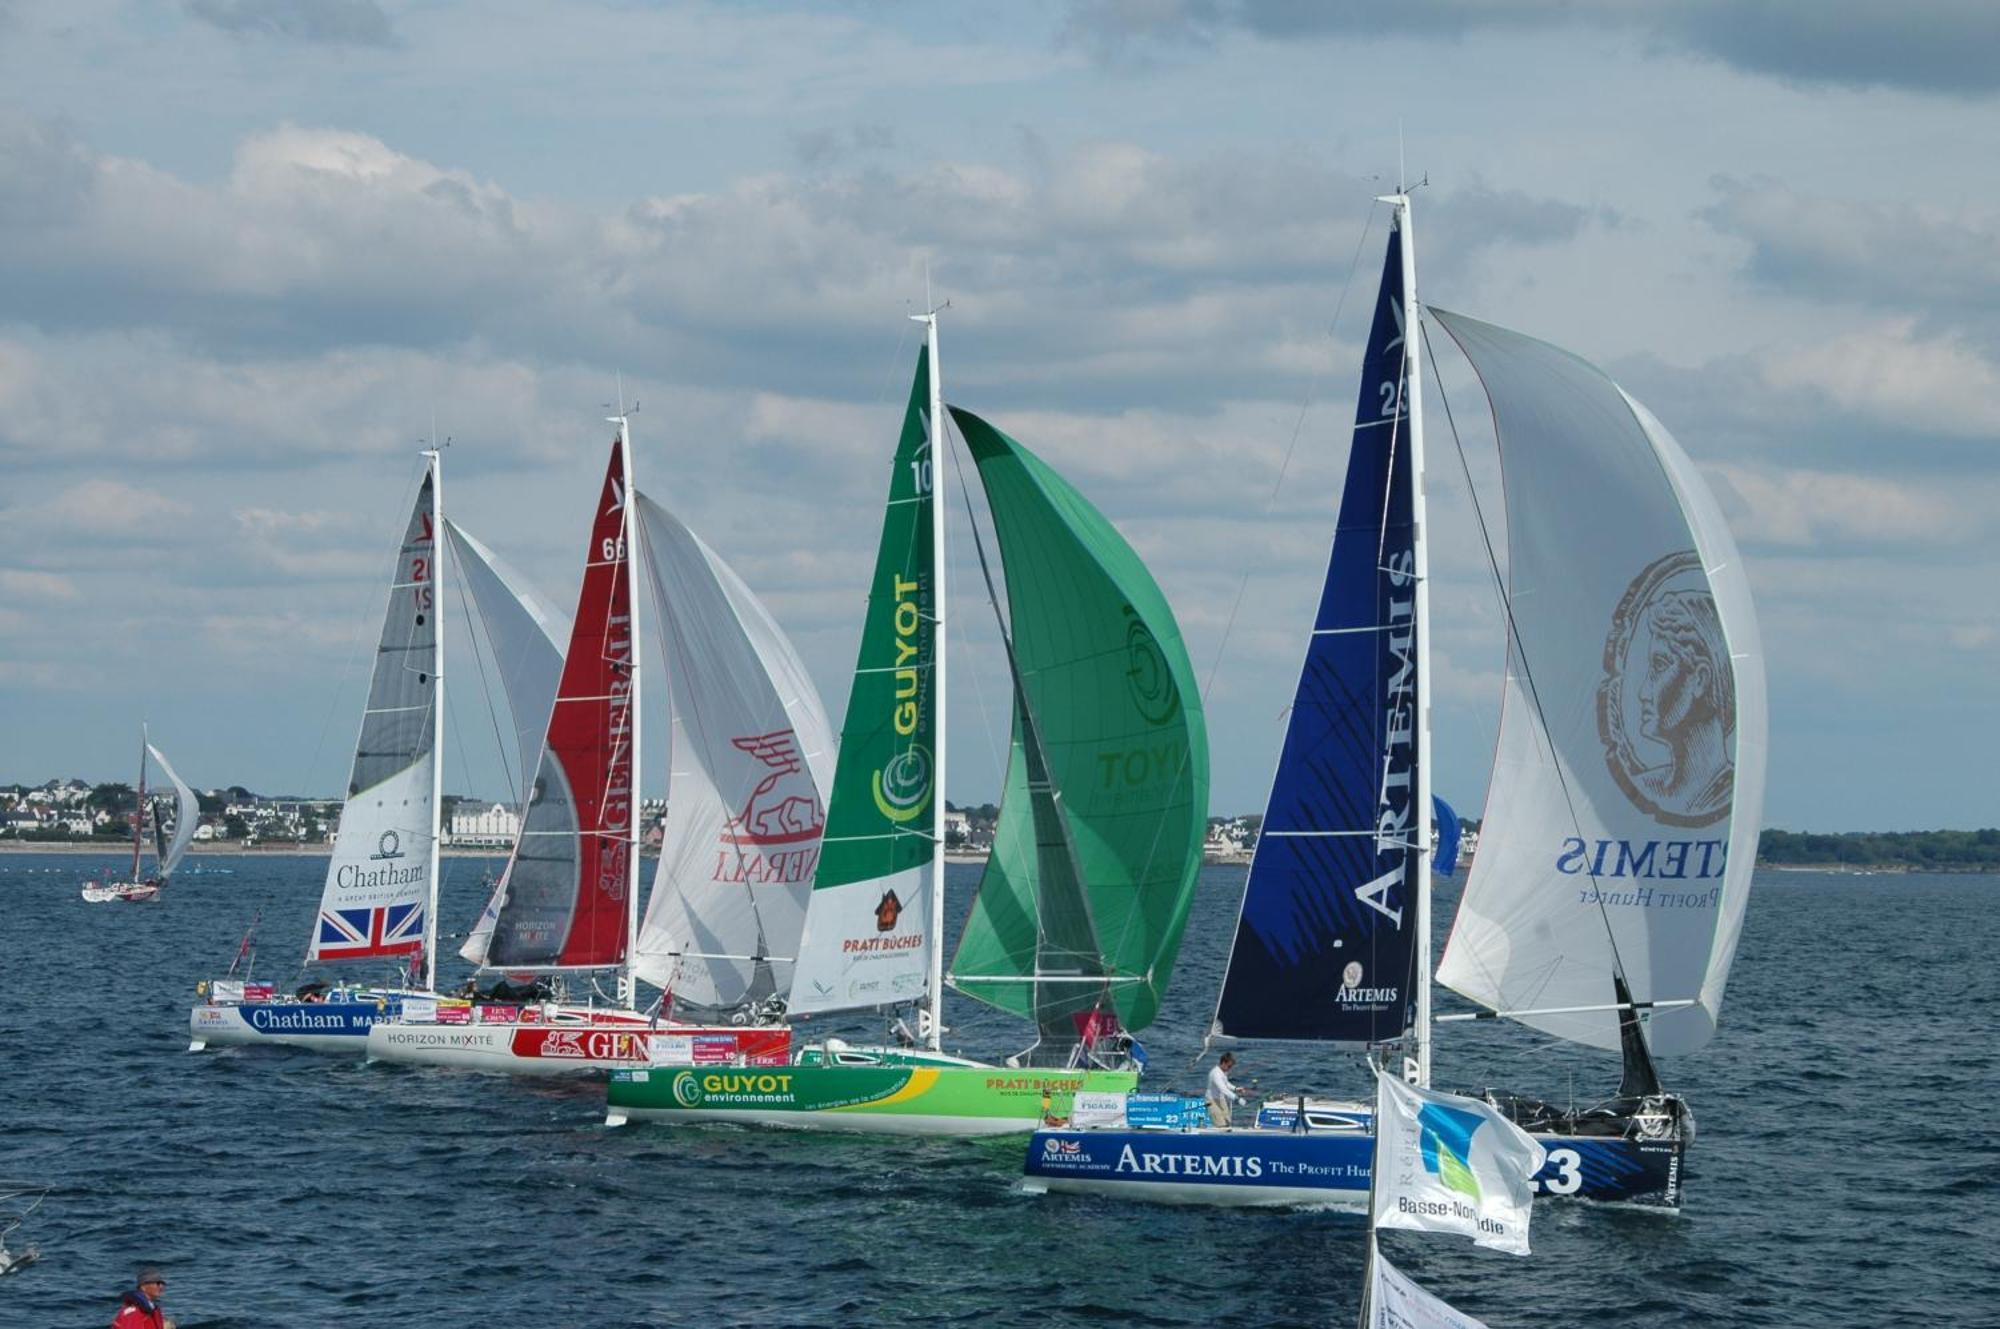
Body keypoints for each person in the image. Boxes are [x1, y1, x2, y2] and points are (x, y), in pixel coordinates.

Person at [1206, 1052, 1244, 1128]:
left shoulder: (1223, 1072)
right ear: (1223, 1063)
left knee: (1228, 1123)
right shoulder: (1216, 1073)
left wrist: (1235, 1089)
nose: (1230, 1069)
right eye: (1229, 1066)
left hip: (1221, 1100)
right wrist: (1237, 1098)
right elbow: (1223, 1089)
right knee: (1221, 1125)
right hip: (1212, 1101)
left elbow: (1226, 1083)